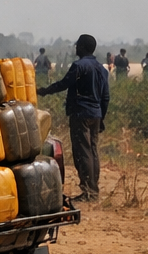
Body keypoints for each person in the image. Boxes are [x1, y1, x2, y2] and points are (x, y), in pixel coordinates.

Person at [38, 34, 110, 202]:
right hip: (96, 114)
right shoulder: (102, 69)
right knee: (92, 151)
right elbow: (105, 97)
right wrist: (102, 118)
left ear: (83, 47)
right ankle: (93, 190)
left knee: (82, 152)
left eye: (78, 46)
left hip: (81, 114)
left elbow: (64, 84)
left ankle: (88, 193)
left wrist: (44, 91)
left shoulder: (79, 66)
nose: (76, 48)